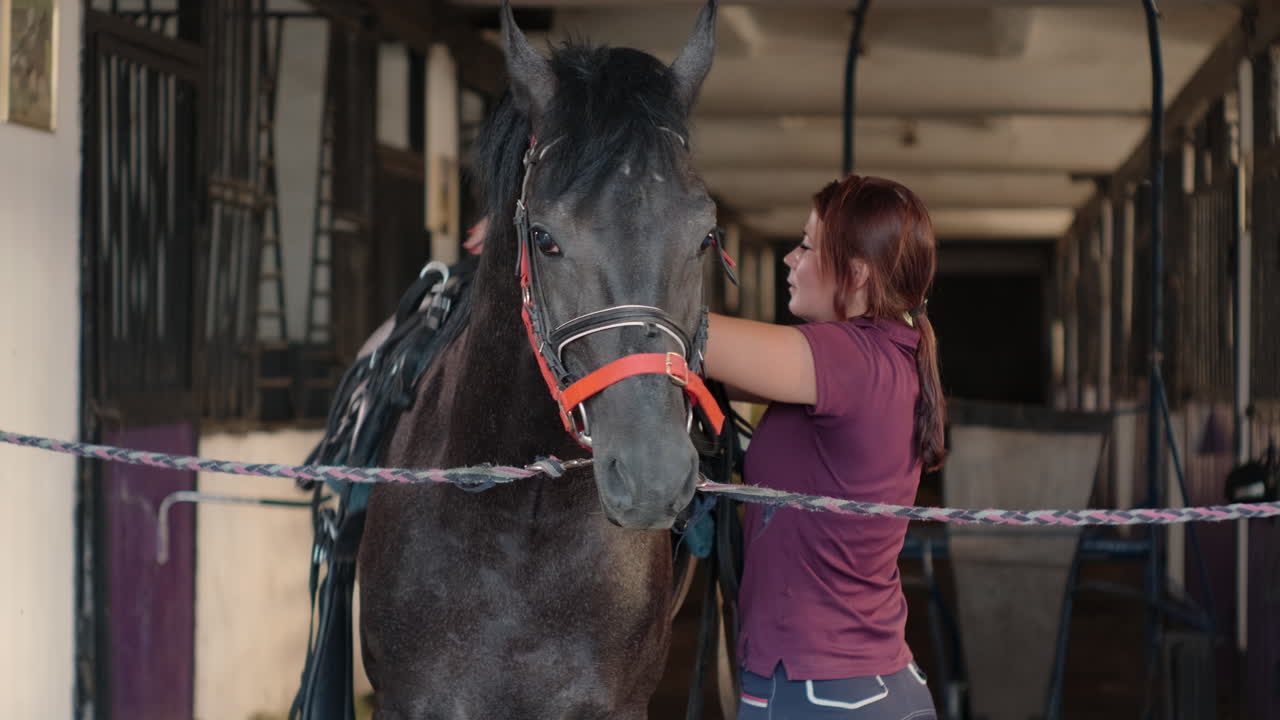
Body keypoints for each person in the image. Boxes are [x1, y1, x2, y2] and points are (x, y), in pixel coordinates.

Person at [704, 174, 944, 719]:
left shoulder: (847, 357)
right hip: (871, 683)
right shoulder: (886, 356)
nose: (791, 258)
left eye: (808, 246)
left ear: (857, 273)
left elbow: (670, 336)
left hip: (819, 693)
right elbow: (713, 379)